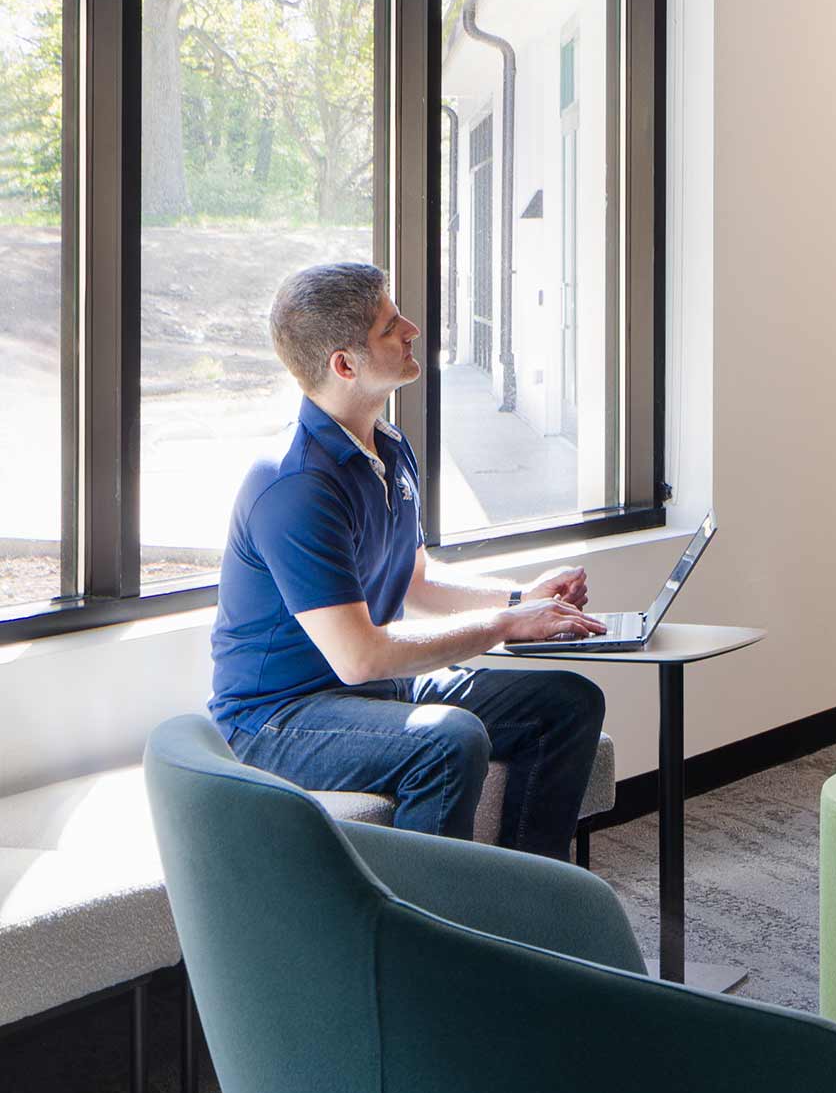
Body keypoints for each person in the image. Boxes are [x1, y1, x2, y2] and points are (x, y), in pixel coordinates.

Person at [207, 262, 611, 858]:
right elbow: (360, 656)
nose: (412, 329)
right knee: (447, 741)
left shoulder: (388, 447)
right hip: (278, 720)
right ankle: (425, 940)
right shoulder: (295, 485)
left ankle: (527, 900)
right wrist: (505, 625)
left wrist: (522, 599)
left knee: (568, 705)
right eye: (390, 325)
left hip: (369, 692)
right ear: (344, 365)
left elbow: (416, 582)